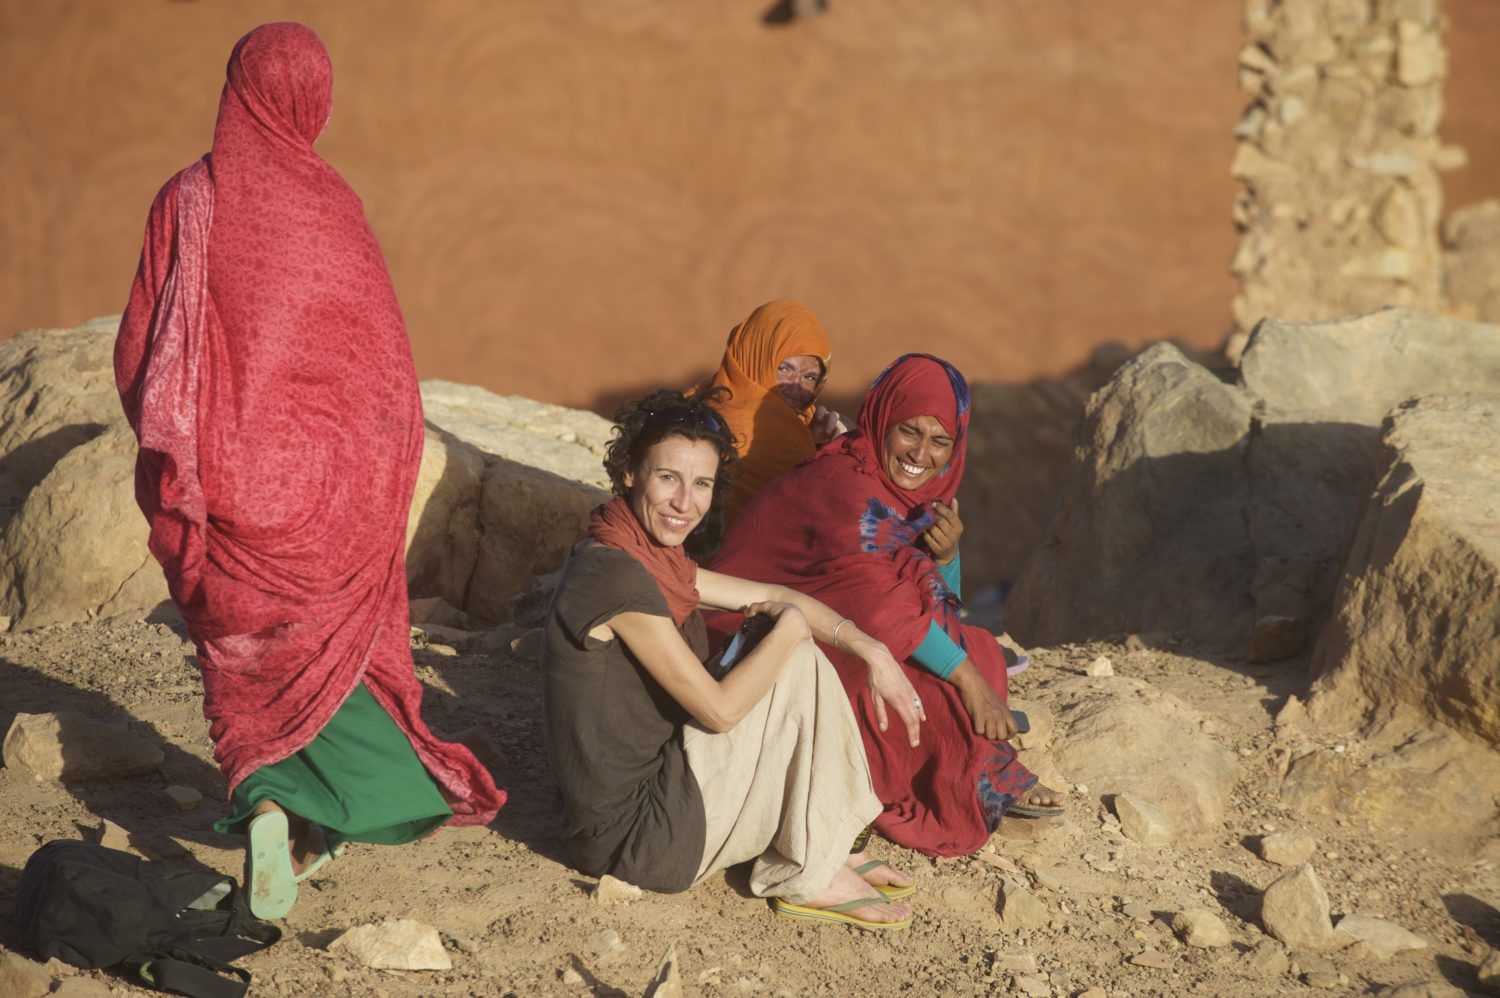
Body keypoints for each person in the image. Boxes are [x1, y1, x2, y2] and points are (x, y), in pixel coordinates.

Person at [114, 23, 504, 920]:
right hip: (335, 491)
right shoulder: (337, 208)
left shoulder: (191, 198)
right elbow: (385, 369)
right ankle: (306, 813)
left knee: (245, 660)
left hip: (229, 484)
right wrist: (376, 475)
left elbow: (144, 340)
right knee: (339, 659)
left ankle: (265, 800)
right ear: (316, 100)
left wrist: (182, 444)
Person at [541, 389, 925, 930]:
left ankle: (829, 844)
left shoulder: (651, 557)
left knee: (793, 643)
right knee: (790, 649)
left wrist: (869, 648)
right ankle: (814, 869)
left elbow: (773, 590)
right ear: (630, 471)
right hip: (639, 840)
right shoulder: (614, 577)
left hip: (660, 790)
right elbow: (719, 712)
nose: (684, 503)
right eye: (667, 478)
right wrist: (789, 630)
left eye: (701, 484)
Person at [711, 354, 1065, 858]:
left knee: (979, 650)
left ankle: (969, 773)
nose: (922, 453)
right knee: (915, 683)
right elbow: (879, 609)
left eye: (940, 441)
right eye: (909, 432)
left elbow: (936, 603)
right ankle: (961, 782)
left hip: (842, 624)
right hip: (751, 632)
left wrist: (946, 556)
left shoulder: (908, 496)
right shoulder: (845, 485)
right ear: (881, 420)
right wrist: (970, 684)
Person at [690, 300, 847, 526]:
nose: (795, 388)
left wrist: (812, 442)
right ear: (755, 356)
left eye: (809, 377)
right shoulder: (743, 423)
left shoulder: (705, 395)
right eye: (784, 369)